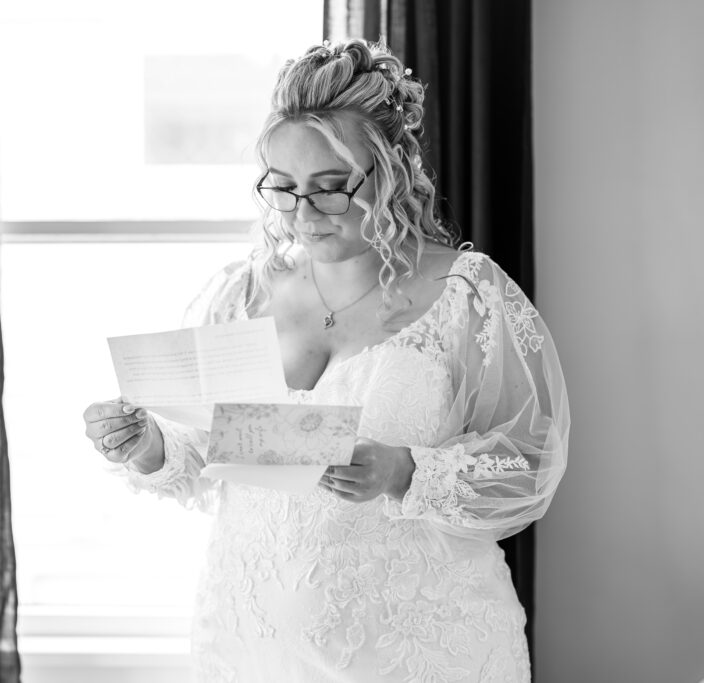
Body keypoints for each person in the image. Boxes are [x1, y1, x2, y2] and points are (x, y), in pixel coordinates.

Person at [82, 38, 569, 682]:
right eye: (283, 188)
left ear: (391, 172)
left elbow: (528, 462)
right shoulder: (245, 293)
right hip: (247, 640)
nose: (303, 213)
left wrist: (403, 470)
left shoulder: (465, 294)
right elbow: (206, 450)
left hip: (418, 650)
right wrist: (145, 444)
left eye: (331, 188)